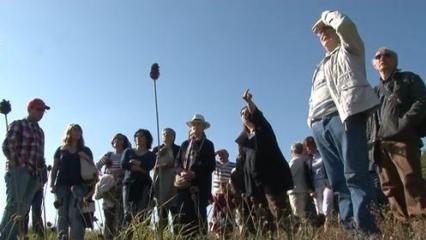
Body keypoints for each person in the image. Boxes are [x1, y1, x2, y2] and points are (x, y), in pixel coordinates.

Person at [307, 10, 380, 234]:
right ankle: (350, 229)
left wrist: (326, 16)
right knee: (338, 181)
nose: (323, 34)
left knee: (355, 174)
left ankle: (366, 231)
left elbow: (346, 25)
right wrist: (311, 120)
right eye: (321, 33)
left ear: (337, 33)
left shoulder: (351, 50)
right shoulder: (320, 66)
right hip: (320, 125)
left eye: (328, 31)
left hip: (343, 118)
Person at [368, 47, 426, 220]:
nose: (382, 58)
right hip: (379, 144)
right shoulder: (374, 91)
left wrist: (404, 123)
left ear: (395, 60)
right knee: (389, 187)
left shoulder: (409, 78)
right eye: (378, 56)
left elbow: (422, 101)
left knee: (411, 181)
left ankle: (420, 225)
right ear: (375, 64)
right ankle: (402, 227)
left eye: (387, 55)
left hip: (403, 139)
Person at [236, 89, 293, 233]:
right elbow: (242, 163)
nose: (245, 115)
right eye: (242, 114)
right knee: (263, 221)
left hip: (271, 180)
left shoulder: (263, 129)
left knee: (280, 214)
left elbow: (258, 119)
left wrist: (249, 103)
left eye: (247, 112)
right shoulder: (243, 139)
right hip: (254, 186)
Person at [0, 98, 49, 240]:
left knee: (23, 210)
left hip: (34, 175)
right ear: (30, 109)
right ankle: (5, 237)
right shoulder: (18, 124)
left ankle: (11, 236)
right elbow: (7, 145)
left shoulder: (40, 132)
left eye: (43, 111)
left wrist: (43, 174)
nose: (41, 113)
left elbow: (40, 156)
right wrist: (16, 163)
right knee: (14, 206)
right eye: (39, 109)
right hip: (19, 171)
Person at [50, 124, 95, 240]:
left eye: (79, 130)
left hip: (79, 186)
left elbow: (93, 169)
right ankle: (62, 237)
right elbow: (55, 168)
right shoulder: (60, 150)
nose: (77, 132)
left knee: (74, 214)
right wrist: (51, 184)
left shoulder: (86, 150)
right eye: (74, 130)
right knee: (62, 215)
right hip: (61, 185)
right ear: (68, 132)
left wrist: (85, 156)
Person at [175, 114, 215, 237]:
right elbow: (177, 163)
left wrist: (195, 173)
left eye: (198, 124)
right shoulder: (184, 144)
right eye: (193, 125)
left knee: (199, 216)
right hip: (183, 185)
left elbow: (210, 165)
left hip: (200, 185)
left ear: (203, 127)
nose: (195, 127)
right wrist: (182, 172)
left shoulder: (208, 144)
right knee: (184, 215)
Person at [96, 133, 130, 240]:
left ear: (124, 142)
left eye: (120, 139)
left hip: (121, 185)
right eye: (115, 139)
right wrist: (104, 175)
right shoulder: (108, 155)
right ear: (112, 142)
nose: (117, 141)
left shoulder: (127, 154)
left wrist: (119, 172)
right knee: (108, 215)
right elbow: (97, 167)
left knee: (119, 215)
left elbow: (129, 168)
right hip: (108, 186)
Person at [121, 129, 155, 228]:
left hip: (144, 185)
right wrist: (141, 168)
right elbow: (123, 165)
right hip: (128, 184)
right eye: (137, 136)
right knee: (128, 213)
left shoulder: (150, 154)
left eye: (141, 136)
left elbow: (149, 166)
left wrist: (135, 163)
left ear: (147, 139)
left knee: (141, 213)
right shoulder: (128, 151)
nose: (138, 138)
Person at [152, 128, 180, 234]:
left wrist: (169, 164)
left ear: (173, 137)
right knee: (162, 214)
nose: (166, 135)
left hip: (174, 184)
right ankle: (162, 235)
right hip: (161, 183)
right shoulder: (157, 149)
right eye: (164, 134)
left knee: (175, 214)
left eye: (169, 134)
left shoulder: (178, 148)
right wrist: (159, 157)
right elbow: (153, 166)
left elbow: (181, 163)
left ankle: (177, 234)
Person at [303, 136, 333, 228]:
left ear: (315, 145)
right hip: (315, 185)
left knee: (326, 205)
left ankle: (327, 225)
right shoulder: (307, 160)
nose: (310, 148)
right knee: (319, 209)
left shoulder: (323, 154)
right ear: (306, 148)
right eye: (308, 147)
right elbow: (306, 177)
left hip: (327, 182)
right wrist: (310, 190)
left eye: (312, 145)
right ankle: (324, 229)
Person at [287, 143, 310, 219]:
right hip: (304, 189)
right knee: (303, 212)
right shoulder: (306, 159)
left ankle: (302, 229)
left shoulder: (294, 161)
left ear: (293, 151)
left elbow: (289, 175)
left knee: (297, 214)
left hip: (295, 190)